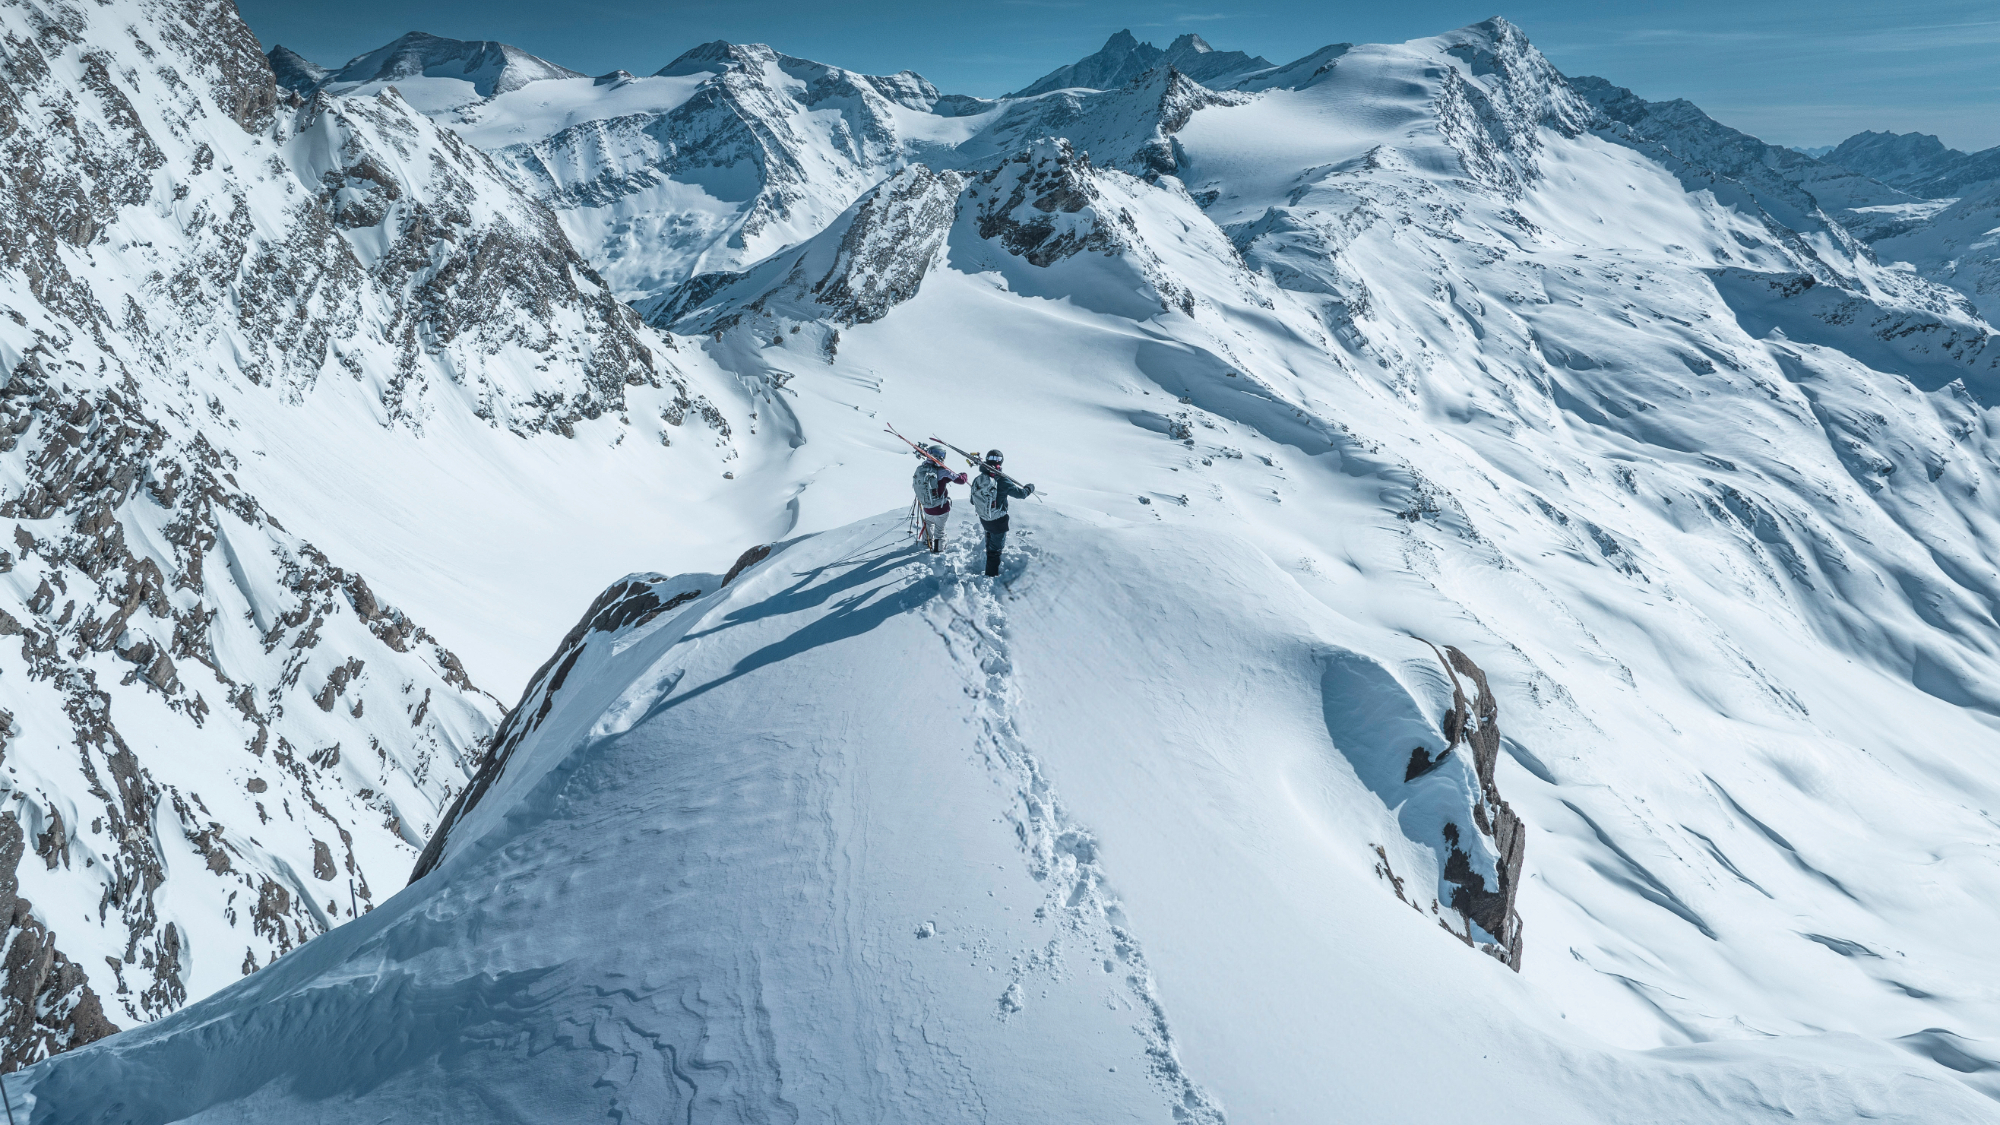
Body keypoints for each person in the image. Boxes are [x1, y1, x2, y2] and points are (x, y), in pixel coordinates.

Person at [969, 449, 1035, 577]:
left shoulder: (978, 479)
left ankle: (989, 554)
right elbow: (1021, 494)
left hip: (984, 518)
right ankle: (991, 575)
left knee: (990, 538)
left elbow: (973, 500)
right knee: (996, 550)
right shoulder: (1003, 481)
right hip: (998, 521)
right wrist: (1029, 488)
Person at [912, 446, 966, 553]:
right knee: (939, 530)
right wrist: (964, 475)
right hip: (940, 508)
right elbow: (960, 480)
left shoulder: (920, 469)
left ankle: (926, 542)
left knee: (928, 523)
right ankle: (938, 549)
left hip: (926, 506)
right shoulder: (942, 471)